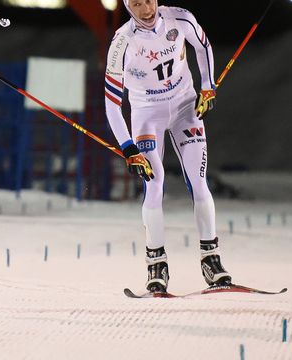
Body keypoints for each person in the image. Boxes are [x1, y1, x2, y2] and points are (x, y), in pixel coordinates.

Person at [104, 0, 231, 292]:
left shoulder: (180, 19)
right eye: (137, 4)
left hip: (186, 105)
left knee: (199, 182)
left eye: (149, 0)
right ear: (127, 6)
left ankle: (211, 261)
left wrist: (207, 86)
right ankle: (156, 266)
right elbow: (112, 105)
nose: (146, 10)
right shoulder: (122, 42)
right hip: (147, 113)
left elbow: (203, 47)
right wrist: (128, 148)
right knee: (155, 182)